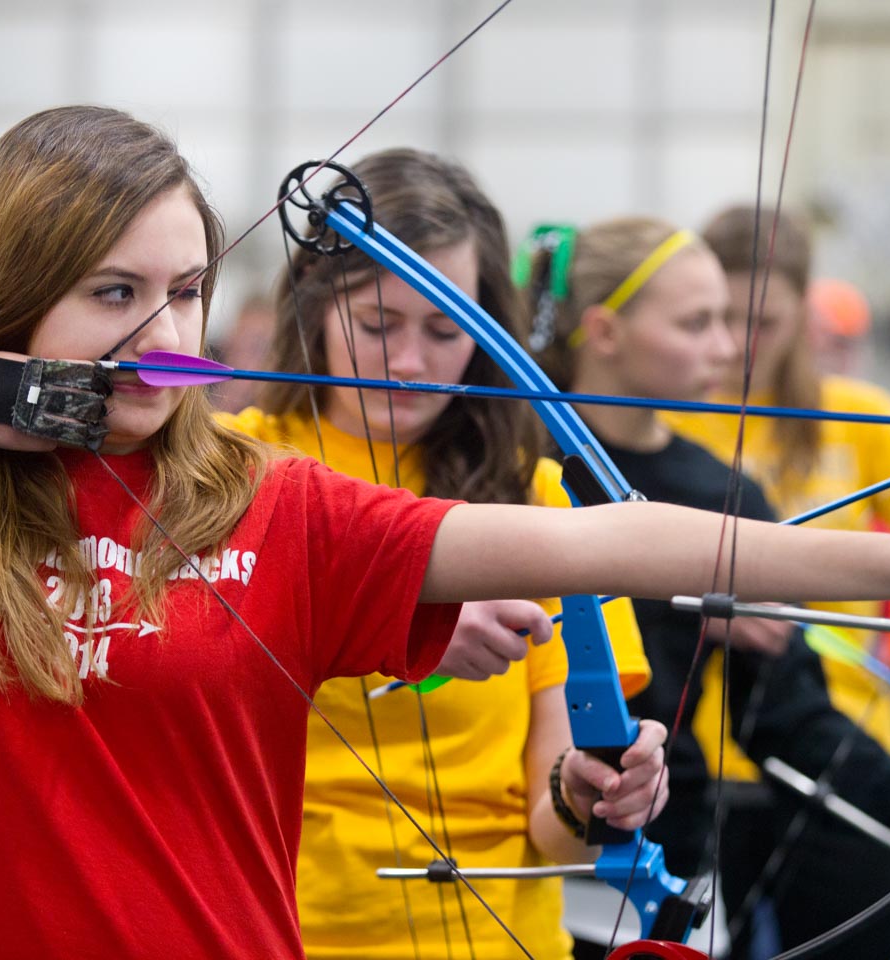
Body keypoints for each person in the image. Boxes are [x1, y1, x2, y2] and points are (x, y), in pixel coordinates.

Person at [0, 105, 890, 958]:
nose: (165, 336)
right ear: (20, 295)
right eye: (113, 293)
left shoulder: (274, 503)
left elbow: (609, 543)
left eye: (190, 291)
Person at [522, 215, 890, 959]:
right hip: (523, 859)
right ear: (606, 332)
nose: (729, 345)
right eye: (700, 322)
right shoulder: (509, 462)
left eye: (737, 321)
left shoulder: (722, 489)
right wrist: (673, 603)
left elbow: (788, 708)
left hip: (667, 859)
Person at [225, 148, 652, 960]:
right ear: (314, 310)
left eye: (447, 328)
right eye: (377, 325)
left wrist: (586, 794)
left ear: (493, 332)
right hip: (274, 935)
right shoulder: (224, 472)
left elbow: (559, 838)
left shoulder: (538, 498)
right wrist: (388, 615)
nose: (410, 363)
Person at [659, 206, 890, 955]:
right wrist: (707, 611)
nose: (736, 342)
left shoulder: (856, 414)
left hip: (844, 752)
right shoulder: (658, 421)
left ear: (803, 310)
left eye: (762, 319)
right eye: (718, 316)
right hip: (691, 768)